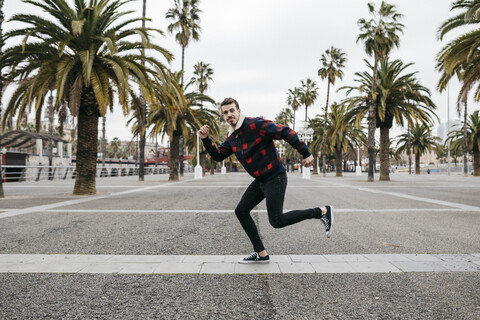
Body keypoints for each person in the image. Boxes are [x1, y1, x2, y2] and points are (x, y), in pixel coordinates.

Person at [198, 97, 334, 263]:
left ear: (239, 111)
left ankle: (322, 212)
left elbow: (284, 131)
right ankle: (261, 253)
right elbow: (218, 156)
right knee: (241, 211)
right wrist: (205, 139)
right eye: (225, 113)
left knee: (276, 221)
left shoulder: (255, 125)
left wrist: (305, 152)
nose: (229, 115)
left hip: (275, 176)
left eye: (232, 110)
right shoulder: (232, 136)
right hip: (261, 180)